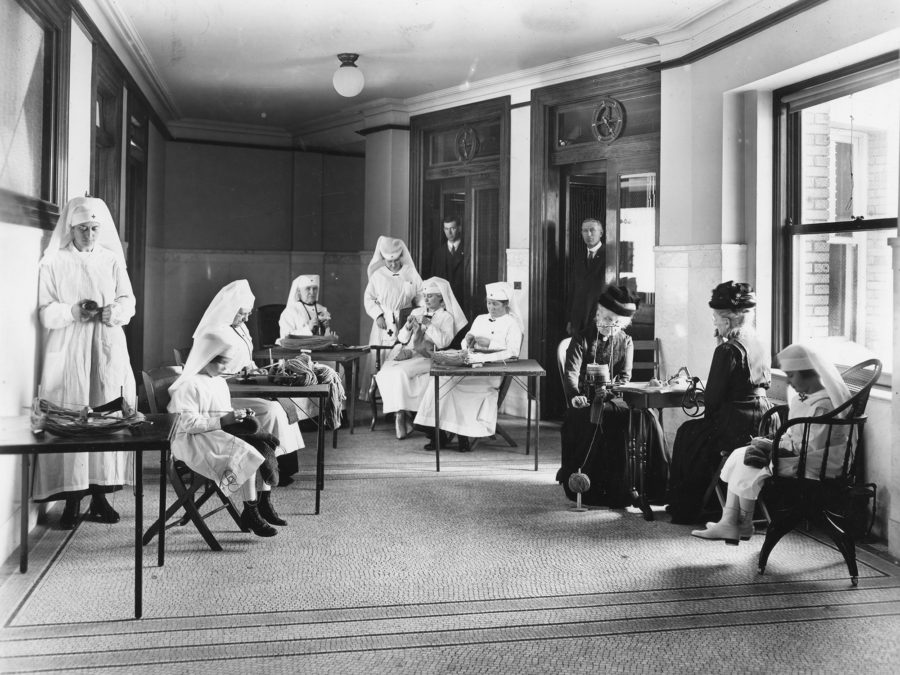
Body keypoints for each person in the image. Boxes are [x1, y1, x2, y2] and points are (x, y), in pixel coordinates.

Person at [33, 196, 135, 529]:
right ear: (71, 229)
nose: (89, 235)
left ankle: (100, 497)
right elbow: (46, 310)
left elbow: (128, 301)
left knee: (104, 415)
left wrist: (114, 312)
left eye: (94, 228)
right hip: (70, 346)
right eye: (82, 229)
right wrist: (71, 312)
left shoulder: (110, 260)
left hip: (106, 345)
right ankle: (72, 501)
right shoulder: (54, 261)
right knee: (73, 417)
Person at [691, 343, 851, 544]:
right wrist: (774, 442)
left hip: (816, 461)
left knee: (751, 460)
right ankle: (731, 521)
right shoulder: (805, 399)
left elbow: (810, 446)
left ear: (809, 374)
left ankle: (740, 522)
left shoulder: (823, 405)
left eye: (792, 376)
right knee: (741, 453)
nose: (790, 382)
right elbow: (797, 437)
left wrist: (774, 447)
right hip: (801, 454)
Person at [667, 281, 774, 524]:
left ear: (726, 321)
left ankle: (690, 506)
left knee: (688, 433)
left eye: (715, 317)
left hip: (736, 424)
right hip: (766, 421)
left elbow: (713, 399)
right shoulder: (760, 343)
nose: (714, 322)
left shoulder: (727, 349)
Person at [556, 285, 665, 507]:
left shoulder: (626, 341)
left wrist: (614, 389)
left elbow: (625, 378)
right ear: (597, 314)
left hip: (615, 398)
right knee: (598, 418)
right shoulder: (581, 339)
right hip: (585, 399)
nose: (609, 326)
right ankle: (591, 487)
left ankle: (642, 485)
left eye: (616, 323)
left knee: (647, 417)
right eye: (605, 319)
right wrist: (575, 395)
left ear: (624, 324)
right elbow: (571, 375)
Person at [167, 330, 282, 536]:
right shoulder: (188, 385)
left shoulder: (218, 380)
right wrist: (223, 420)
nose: (226, 368)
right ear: (206, 358)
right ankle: (250, 510)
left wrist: (237, 416)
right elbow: (187, 424)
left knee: (262, 445)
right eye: (222, 363)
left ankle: (264, 504)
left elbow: (222, 410)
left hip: (213, 430)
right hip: (192, 439)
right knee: (245, 452)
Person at [194, 280, 304, 491]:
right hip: (222, 393)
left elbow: (245, 358)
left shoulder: (241, 327)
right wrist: (236, 374)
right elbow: (205, 370)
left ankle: (280, 465)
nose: (246, 318)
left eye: (248, 313)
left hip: (241, 385)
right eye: (241, 313)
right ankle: (267, 463)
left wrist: (253, 368)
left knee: (283, 404)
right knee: (271, 409)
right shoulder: (212, 331)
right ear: (228, 310)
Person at [413, 282, 523, 452]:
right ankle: (435, 433)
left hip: (489, 374)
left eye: (495, 304)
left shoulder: (512, 323)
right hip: (471, 366)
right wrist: (468, 339)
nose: (491, 307)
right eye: (489, 303)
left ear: (506, 304)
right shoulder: (480, 318)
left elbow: (513, 352)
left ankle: (461, 435)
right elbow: (465, 343)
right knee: (440, 382)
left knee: (452, 388)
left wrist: (490, 343)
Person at [375, 277, 467, 440]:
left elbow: (443, 342)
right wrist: (408, 327)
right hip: (406, 352)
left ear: (440, 298)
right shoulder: (416, 312)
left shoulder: (446, 317)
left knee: (401, 374)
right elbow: (403, 339)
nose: (426, 299)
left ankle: (400, 414)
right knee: (383, 374)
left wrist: (429, 325)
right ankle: (404, 414)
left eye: (431, 296)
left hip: (427, 355)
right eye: (425, 296)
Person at [360, 236, 422, 399]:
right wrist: (378, 315)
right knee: (381, 357)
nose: (393, 265)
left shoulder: (410, 272)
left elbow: (420, 295)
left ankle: (401, 400)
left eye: (395, 261)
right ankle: (382, 397)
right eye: (389, 262)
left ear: (401, 257)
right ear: (383, 259)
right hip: (385, 323)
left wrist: (417, 312)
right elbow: (369, 298)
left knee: (404, 357)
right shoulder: (378, 275)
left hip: (406, 320)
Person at [567, 218, 606, 336]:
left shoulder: (609, 255)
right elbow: (572, 291)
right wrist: (570, 320)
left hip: (600, 319)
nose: (588, 234)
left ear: (601, 233)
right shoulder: (578, 257)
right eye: (585, 231)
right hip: (578, 321)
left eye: (592, 230)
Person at [428, 217, 467, 317]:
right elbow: (433, 282)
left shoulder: (469, 251)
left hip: (464, 304)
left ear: (459, 228)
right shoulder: (438, 253)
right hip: (444, 305)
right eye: (446, 229)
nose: (449, 232)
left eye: (452, 228)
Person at [278, 274, 333, 340]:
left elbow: (324, 337)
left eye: (315, 288)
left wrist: (325, 329)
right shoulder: (290, 311)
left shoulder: (322, 309)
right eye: (308, 288)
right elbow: (285, 338)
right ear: (299, 291)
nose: (312, 292)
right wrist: (308, 329)